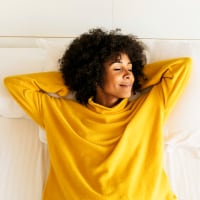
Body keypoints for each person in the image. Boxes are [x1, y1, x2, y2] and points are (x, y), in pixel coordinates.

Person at [4, 28, 192, 200]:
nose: (128, 74)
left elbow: (181, 67)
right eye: (117, 68)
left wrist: (135, 78)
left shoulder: (150, 106)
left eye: (131, 68)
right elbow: (17, 85)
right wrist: (75, 81)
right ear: (94, 74)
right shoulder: (59, 113)